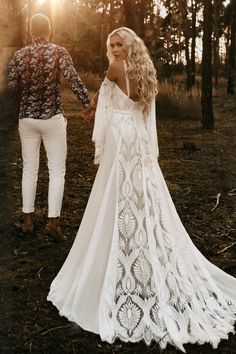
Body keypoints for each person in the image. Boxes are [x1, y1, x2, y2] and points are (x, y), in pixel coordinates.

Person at [47, 27, 236, 352]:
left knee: (117, 197)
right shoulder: (143, 70)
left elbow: (104, 96)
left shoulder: (116, 67)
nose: (116, 49)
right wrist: (99, 104)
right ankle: (139, 252)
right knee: (140, 196)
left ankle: (119, 257)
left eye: (121, 44)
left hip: (122, 139)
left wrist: (92, 109)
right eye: (112, 45)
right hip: (136, 138)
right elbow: (134, 103)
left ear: (129, 46)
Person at [7, 13, 90, 241]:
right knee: (56, 171)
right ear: (50, 31)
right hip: (52, 118)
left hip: (27, 118)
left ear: (31, 32)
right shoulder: (58, 52)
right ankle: (53, 223)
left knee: (29, 169)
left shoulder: (20, 55)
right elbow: (73, 80)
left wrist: (25, 97)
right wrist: (89, 106)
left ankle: (28, 220)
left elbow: (11, 87)